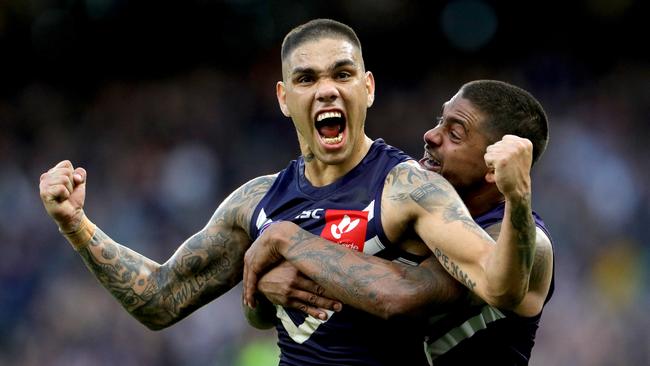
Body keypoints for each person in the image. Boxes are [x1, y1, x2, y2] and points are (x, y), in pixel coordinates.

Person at [39, 19, 536, 366]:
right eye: (306, 78)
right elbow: (160, 299)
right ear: (283, 97)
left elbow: (498, 285)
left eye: (342, 74)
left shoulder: (408, 188)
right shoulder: (255, 200)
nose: (326, 90)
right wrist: (76, 225)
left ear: (368, 88)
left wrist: (517, 200)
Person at [242, 80, 553, 365]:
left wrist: (287, 240)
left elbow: (396, 294)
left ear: (494, 167)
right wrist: (270, 285)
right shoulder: (408, 218)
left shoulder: (530, 246)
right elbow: (277, 311)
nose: (431, 136)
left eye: (454, 133)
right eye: (438, 121)